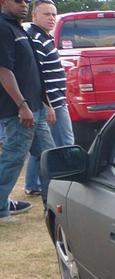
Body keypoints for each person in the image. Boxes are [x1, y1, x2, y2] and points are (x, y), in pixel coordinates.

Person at [0, 0, 54, 223]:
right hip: (18, 111)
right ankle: (0, 209)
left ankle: (53, 205)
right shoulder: (3, 27)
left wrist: (45, 103)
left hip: (35, 108)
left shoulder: (18, 27)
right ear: (3, 2)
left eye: (26, 1)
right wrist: (22, 105)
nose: (24, 4)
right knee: (14, 158)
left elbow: (33, 71)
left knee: (48, 156)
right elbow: (3, 70)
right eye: (18, 1)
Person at [24, 0, 71, 197]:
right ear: (34, 16)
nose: (51, 18)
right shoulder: (36, 39)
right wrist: (48, 104)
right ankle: (68, 182)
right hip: (52, 103)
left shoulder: (43, 36)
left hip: (54, 101)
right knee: (65, 143)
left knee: (42, 147)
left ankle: (33, 185)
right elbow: (37, 75)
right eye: (46, 14)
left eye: (53, 14)